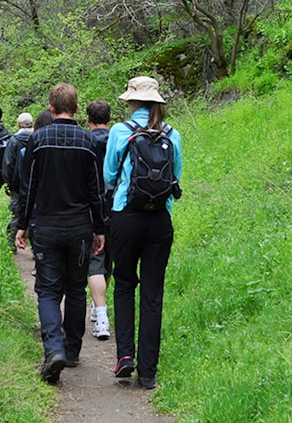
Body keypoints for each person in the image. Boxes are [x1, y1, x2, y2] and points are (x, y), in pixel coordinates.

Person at [15, 83, 105, 384]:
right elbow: (95, 191)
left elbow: (28, 189)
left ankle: (53, 349)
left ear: (50, 108)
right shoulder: (87, 141)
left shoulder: (38, 140)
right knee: (76, 289)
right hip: (80, 226)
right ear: (77, 108)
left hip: (47, 225)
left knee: (48, 289)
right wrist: (99, 228)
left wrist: (23, 224)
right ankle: (72, 350)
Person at [104, 76, 182, 390]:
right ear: (157, 101)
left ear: (131, 101)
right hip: (159, 221)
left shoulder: (120, 132)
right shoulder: (172, 134)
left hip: (126, 217)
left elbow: (110, 174)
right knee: (152, 293)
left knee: (124, 284)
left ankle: (125, 357)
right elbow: (174, 177)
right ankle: (148, 372)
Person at [85, 99, 113, 340]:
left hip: (91, 208)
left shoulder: (85, 141)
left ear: (87, 119)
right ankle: (98, 306)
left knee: (96, 260)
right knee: (109, 260)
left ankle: (101, 316)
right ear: (109, 118)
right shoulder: (120, 139)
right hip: (117, 207)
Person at [2, 112, 34, 248]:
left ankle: (11, 244)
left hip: (17, 184)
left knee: (16, 214)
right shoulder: (36, 138)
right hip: (34, 183)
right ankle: (36, 250)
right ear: (32, 124)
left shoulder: (14, 140)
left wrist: (9, 184)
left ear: (18, 124)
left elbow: (8, 163)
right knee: (34, 215)